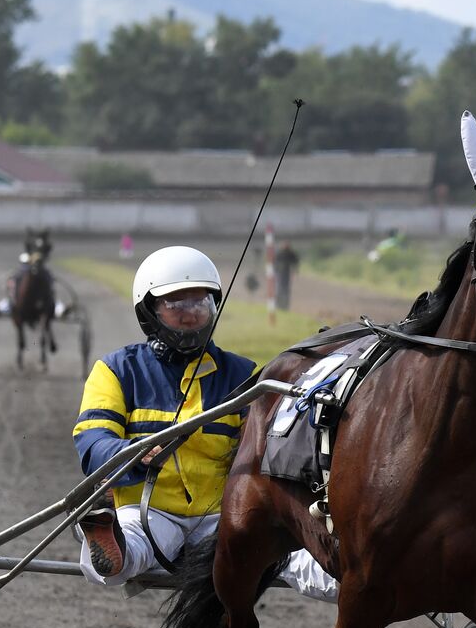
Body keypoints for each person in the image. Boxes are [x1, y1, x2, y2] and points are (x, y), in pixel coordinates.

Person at [73, 245, 337, 601]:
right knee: (135, 544)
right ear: (149, 310)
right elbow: (93, 441)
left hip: (226, 515)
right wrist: (132, 454)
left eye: (199, 304)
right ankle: (108, 545)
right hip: (151, 509)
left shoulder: (244, 374)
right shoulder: (117, 371)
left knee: (294, 558)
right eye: (177, 306)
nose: (190, 316)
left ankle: (355, 574)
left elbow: (274, 445)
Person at [274, 240, 299, 311]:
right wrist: (275, 270)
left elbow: (295, 261)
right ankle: (278, 305)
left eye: (287, 245)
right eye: (285, 245)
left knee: (286, 290)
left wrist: (295, 270)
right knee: (279, 289)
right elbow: (275, 262)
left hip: (287, 274)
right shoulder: (279, 253)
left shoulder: (291, 253)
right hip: (280, 274)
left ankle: (285, 306)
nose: (286, 246)